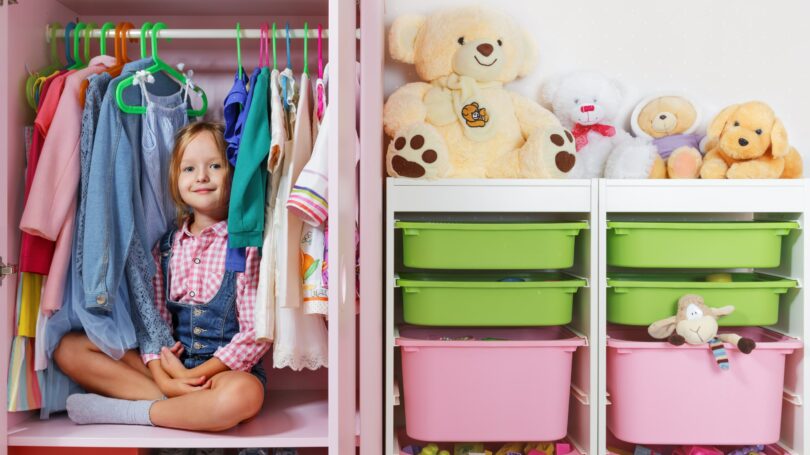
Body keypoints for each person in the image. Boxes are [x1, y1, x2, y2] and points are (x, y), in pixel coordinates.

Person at [55, 122, 269, 431]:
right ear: (175, 181)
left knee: (243, 395)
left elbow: (254, 334)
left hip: (223, 374)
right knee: (70, 348)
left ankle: (132, 412)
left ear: (233, 173)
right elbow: (152, 324)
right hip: (171, 370)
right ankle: (180, 405)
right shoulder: (165, 248)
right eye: (189, 169)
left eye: (215, 166)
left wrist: (194, 376)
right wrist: (164, 375)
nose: (202, 177)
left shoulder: (244, 248)